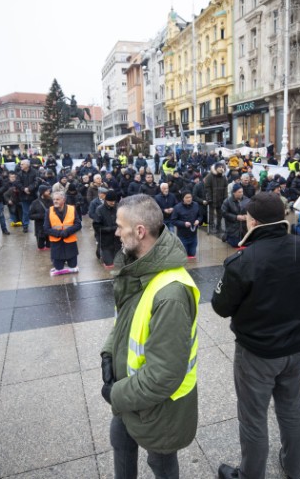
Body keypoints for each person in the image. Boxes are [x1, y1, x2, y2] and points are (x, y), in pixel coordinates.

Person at [212, 192, 300, 479]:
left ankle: (250, 475)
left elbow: (221, 307)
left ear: (252, 220)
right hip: (297, 344)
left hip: (257, 352)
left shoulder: (243, 261)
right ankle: (294, 468)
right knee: (291, 409)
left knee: (253, 418)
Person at [100, 194, 199, 479]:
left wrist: (115, 393)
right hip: (132, 393)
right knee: (120, 441)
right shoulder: (140, 268)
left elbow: (164, 374)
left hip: (161, 408)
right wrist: (108, 353)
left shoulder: (171, 294)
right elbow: (126, 321)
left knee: (161, 463)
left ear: (140, 231)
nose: (116, 232)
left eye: (120, 226)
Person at [44, 191, 82, 275]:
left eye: (57, 199)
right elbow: (46, 228)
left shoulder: (72, 209)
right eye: (54, 199)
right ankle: (58, 263)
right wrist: (59, 233)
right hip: (56, 245)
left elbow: (78, 225)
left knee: (73, 266)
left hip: (70, 244)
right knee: (58, 268)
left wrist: (67, 231)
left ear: (63, 200)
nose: (55, 201)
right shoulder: (49, 211)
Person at [93, 190, 119, 268]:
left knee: (117, 262)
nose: (113, 203)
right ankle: (99, 251)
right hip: (105, 240)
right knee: (109, 264)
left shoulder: (118, 207)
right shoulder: (99, 210)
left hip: (117, 240)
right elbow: (97, 227)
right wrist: (112, 229)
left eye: (114, 201)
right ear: (106, 200)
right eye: (111, 201)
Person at [172, 190, 201, 259]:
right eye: (187, 197)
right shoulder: (177, 207)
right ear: (183, 198)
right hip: (182, 236)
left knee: (192, 254)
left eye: (190, 197)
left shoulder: (196, 205)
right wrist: (183, 224)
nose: (189, 199)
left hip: (193, 235)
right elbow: (173, 220)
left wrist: (198, 220)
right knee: (183, 255)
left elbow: (200, 216)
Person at [222, 183, 249, 247]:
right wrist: (236, 217)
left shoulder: (247, 200)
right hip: (233, 227)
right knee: (236, 245)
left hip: (244, 227)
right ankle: (226, 236)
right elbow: (224, 213)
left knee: (246, 243)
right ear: (234, 192)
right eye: (239, 192)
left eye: (242, 191)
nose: (241, 193)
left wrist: (247, 216)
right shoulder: (227, 201)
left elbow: (251, 210)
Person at [204, 162, 228, 234]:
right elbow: (207, 188)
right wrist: (209, 198)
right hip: (212, 199)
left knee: (220, 214)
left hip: (221, 199)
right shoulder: (210, 176)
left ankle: (219, 227)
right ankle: (211, 227)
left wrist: (225, 198)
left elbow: (225, 188)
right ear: (216, 168)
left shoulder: (224, 177)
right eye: (220, 167)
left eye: (222, 167)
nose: (221, 168)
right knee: (211, 214)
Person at [29, 185, 53, 251]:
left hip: (50, 227)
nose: (49, 192)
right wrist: (41, 215)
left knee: (49, 247)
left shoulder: (51, 201)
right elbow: (30, 216)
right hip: (40, 228)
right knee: (40, 247)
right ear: (42, 192)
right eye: (47, 191)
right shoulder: (35, 202)